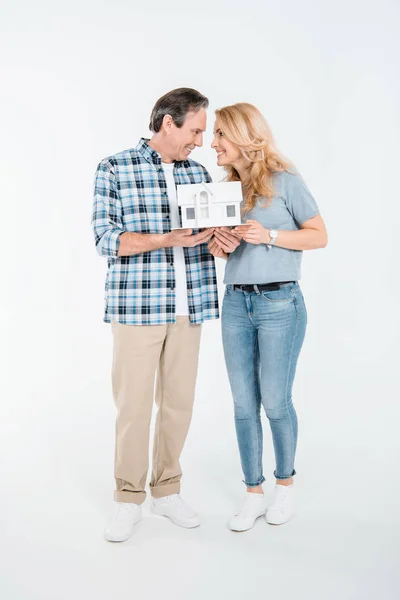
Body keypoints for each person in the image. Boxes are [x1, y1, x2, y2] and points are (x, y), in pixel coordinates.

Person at [92, 88, 218, 542]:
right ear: (169, 123)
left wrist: (221, 239)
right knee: (134, 407)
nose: (200, 141)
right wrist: (166, 239)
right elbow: (106, 239)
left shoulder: (199, 172)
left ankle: (167, 490)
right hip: (137, 307)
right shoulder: (114, 167)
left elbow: (205, 237)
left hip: (191, 305)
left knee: (179, 404)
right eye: (195, 130)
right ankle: (128, 499)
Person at [208, 103, 328, 531]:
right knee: (243, 405)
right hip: (236, 304)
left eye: (220, 133)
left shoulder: (285, 180)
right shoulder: (224, 190)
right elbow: (226, 250)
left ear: (242, 135)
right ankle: (252, 492)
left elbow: (319, 235)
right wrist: (220, 246)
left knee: (275, 401)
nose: (212, 142)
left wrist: (270, 235)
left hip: (280, 304)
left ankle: (285, 485)